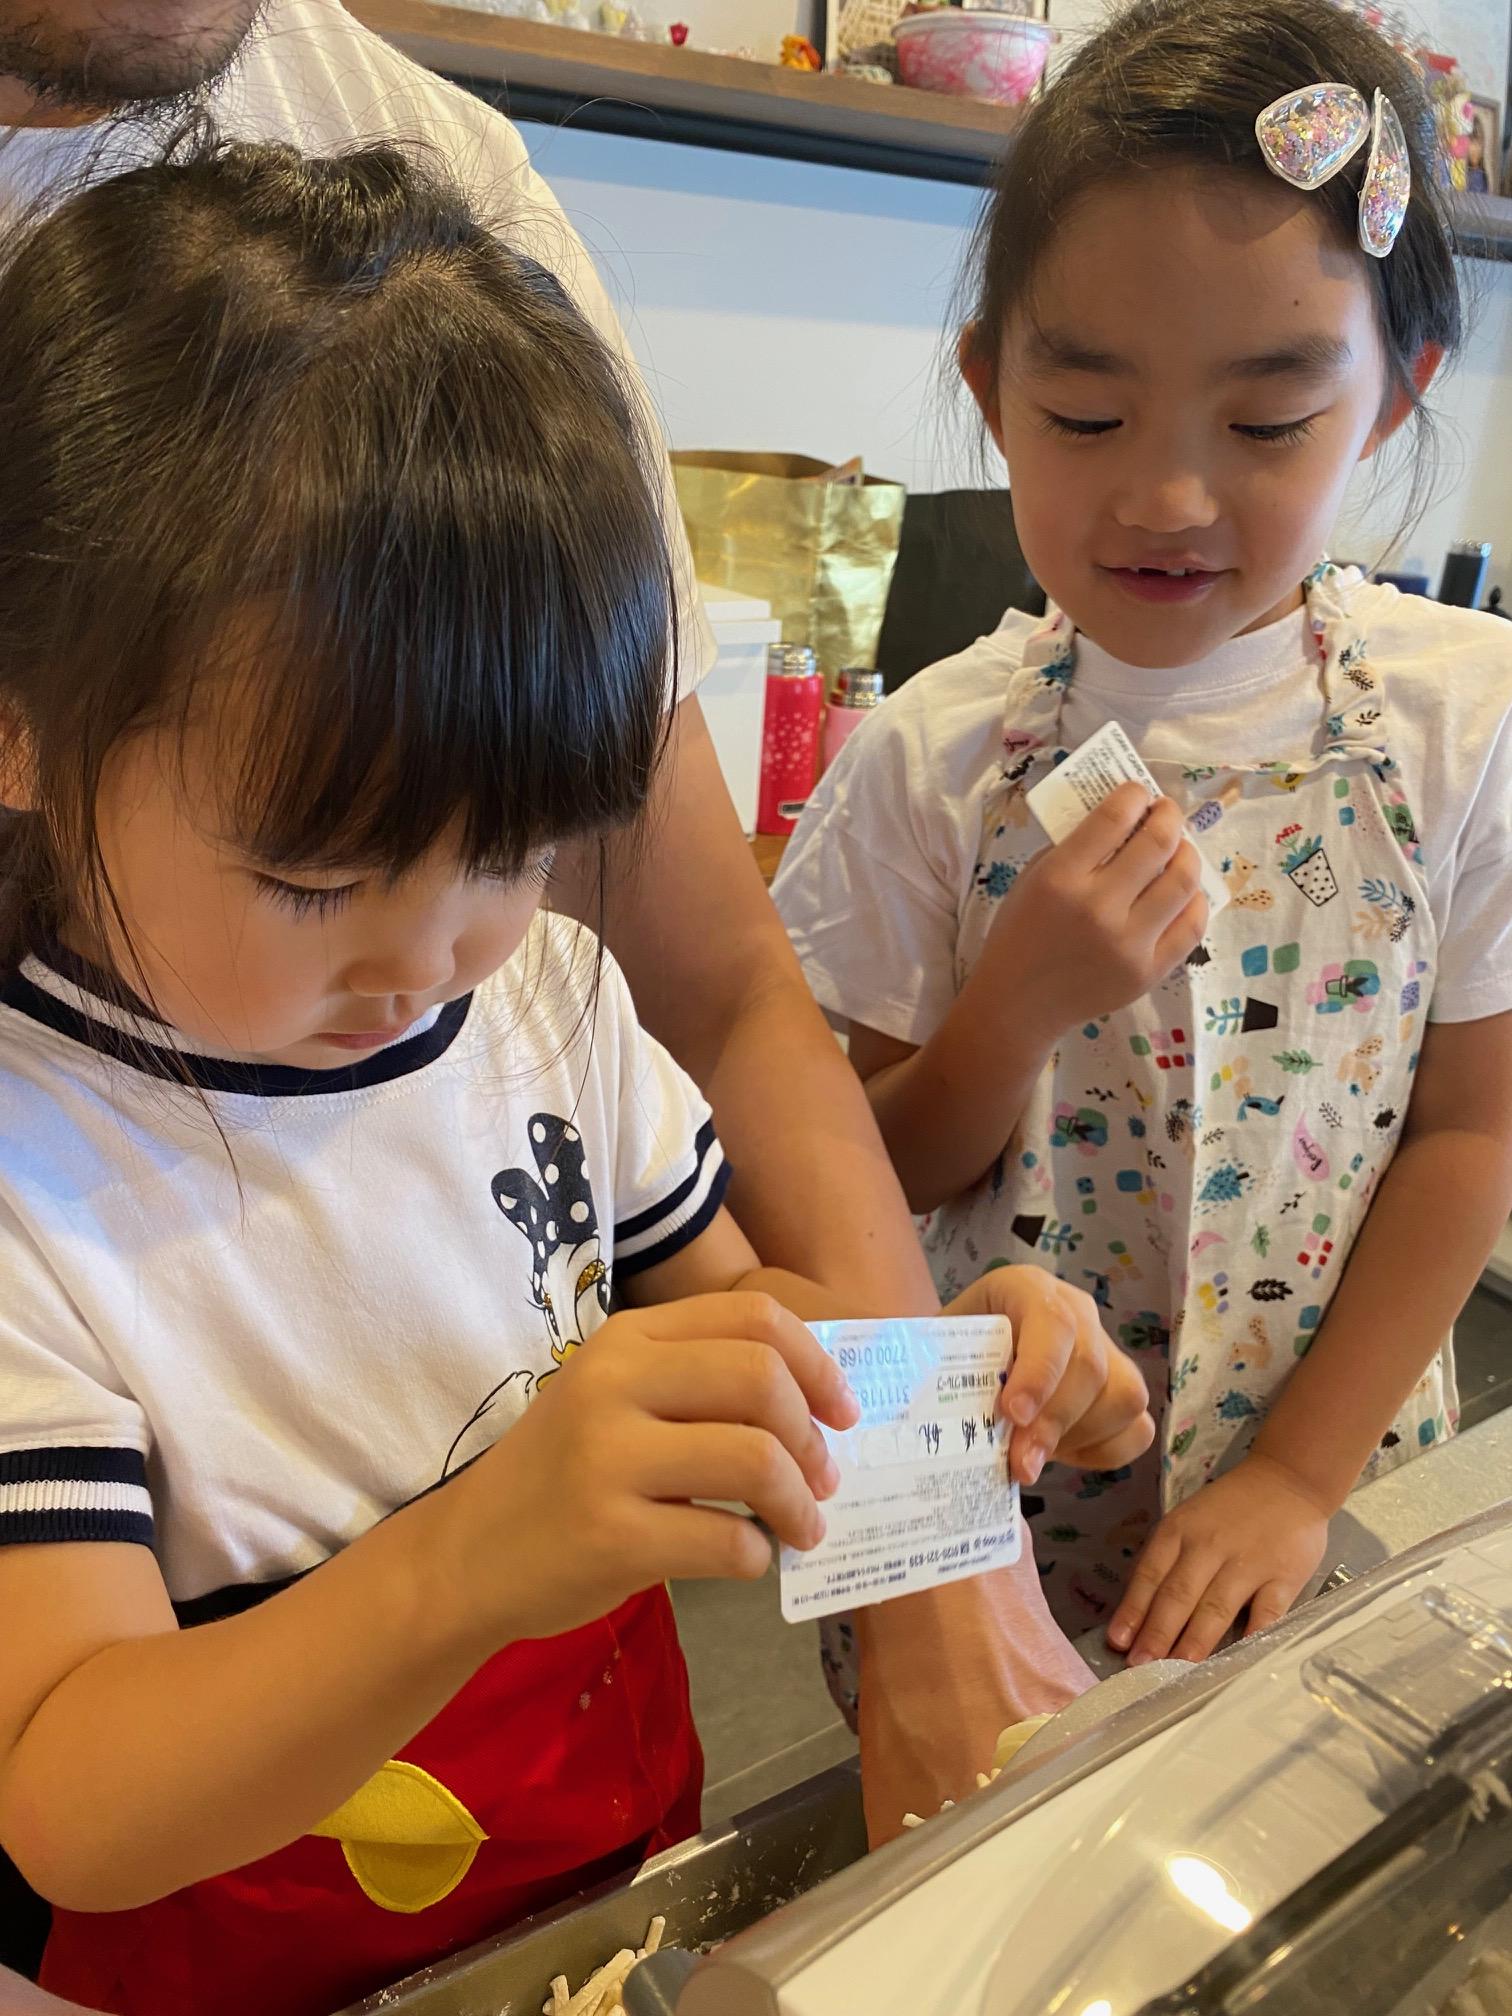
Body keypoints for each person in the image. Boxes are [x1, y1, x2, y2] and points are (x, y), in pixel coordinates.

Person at [0, 139, 1153, 2016]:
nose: (428, 955)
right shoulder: (35, 1168)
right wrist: (477, 1554)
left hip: (593, 1911)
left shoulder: (543, 1002)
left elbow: (745, 1336)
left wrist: (947, 1371)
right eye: (314, 876)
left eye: (511, 848)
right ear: (22, 726)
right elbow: (68, 1798)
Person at [776, 0, 1512, 1670]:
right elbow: (860, 1187)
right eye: (1090, 419)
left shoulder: (1463, 722)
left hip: (1331, 1513)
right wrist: (1014, 1010)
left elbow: (1472, 1137)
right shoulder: (935, 754)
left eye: (1265, 426)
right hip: (991, 1538)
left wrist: (1297, 1480)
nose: (1168, 499)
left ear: (1392, 402)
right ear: (994, 389)